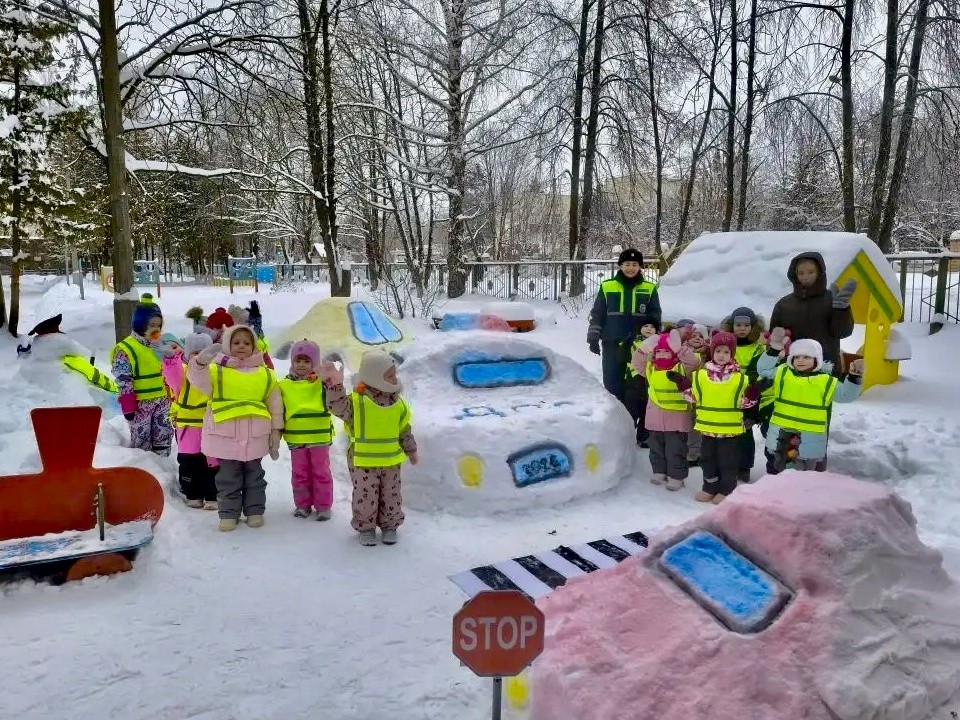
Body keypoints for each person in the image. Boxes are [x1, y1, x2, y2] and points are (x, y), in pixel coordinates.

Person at [187, 325, 284, 532]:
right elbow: (196, 381)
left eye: (247, 343)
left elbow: (275, 404)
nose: (241, 346)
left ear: (254, 346)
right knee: (227, 479)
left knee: (255, 477)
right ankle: (229, 514)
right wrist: (199, 363)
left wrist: (276, 432)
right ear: (228, 345)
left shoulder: (265, 374)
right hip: (225, 438)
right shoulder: (215, 370)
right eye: (236, 342)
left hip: (255, 437)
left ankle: (255, 511)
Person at [325, 349, 418, 546]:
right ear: (375, 377)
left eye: (394, 374)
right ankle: (366, 527)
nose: (395, 379)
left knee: (391, 496)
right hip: (363, 462)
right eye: (390, 375)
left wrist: (411, 449)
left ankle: (390, 526)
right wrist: (335, 386)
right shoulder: (357, 401)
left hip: (391, 462)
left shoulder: (398, 404)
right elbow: (338, 407)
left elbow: (404, 429)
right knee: (365, 498)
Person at [757, 334, 863, 472]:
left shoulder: (825, 381)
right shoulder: (783, 372)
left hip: (809, 439)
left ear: (816, 360)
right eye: (797, 357)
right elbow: (764, 370)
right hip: (781, 437)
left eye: (806, 357)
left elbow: (846, 395)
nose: (801, 360)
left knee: (804, 477)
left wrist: (854, 377)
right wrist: (773, 351)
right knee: (777, 472)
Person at [675, 331, 759, 504]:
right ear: (712, 352)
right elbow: (694, 398)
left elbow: (744, 404)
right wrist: (682, 385)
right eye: (718, 351)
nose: (722, 355)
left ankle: (726, 489)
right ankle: (709, 487)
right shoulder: (701, 376)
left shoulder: (740, 379)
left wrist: (752, 393)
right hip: (708, 430)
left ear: (732, 354)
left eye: (726, 352)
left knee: (727, 461)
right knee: (707, 460)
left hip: (729, 431)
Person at [587, 248, 661, 404]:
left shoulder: (649, 288)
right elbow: (598, 313)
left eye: (635, 264)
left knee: (638, 384)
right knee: (613, 383)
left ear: (640, 266)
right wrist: (593, 335)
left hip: (639, 346)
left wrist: (654, 338)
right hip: (612, 342)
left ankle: (636, 421)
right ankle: (616, 419)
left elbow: (655, 316)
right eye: (627, 264)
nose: (630, 268)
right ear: (620, 265)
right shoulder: (608, 286)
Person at [630, 329, 701, 491]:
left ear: (673, 353)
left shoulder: (682, 368)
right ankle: (659, 471)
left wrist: (679, 348)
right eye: (658, 352)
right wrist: (643, 349)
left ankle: (676, 476)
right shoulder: (651, 368)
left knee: (675, 449)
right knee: (656, 447)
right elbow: (636, 363)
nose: (661, 355)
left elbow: (694, 362)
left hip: (676, 419)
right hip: (655, 418)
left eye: (666, 352)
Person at [769, 252, 856, 369]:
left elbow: (842, 332)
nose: (805, 277)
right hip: (792, 371)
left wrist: (841, 310)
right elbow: (774, 339)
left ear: (819, 272)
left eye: (811, 272)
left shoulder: (832, 300)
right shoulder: (784, 305)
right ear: (794, 275)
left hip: (826, 370)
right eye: (801, 273)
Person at [279, 339, 335, 520]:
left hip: (319, 437)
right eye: (298, 360)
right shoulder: (284, 385)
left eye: (307, 361)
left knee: (321, 472)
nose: (301, 365)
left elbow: (335, 395)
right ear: (292, 362)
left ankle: (323, 506)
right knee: (300, 473)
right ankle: (302, 505)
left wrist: (327, 376)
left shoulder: (322, 383)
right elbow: (280, 409)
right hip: (296, 438)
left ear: (314, 363)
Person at [163, 332, 219, 510]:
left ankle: (213, 495)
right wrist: (170, 360)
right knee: (189, 462)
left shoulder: (216, 372)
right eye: (195, 353)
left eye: (204, 352)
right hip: (188, 427)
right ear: (187, 355)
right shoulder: (183, 373)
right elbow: (172, 376)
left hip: (211, 425)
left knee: (212, 462)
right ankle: (193, 494)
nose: (200, 357)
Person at [111, 299, 173, 456]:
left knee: (163, 435)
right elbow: (123, 380)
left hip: (162, 400)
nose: (155, 329)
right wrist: (128, 404)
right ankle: (144, 467)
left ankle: (163, 466)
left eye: (158, 325)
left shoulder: (160, 345)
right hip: (140, 404)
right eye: (151, 325)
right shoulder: (126, 348)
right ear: (140, 324)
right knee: (142, 441)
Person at [722, 307, 766, 483]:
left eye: (746, 325)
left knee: (745, 432)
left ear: (753, 327)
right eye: (738, 324)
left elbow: (757, 371)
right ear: (731, 326)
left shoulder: (757, 348)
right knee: (728, 431)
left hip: (748, 394)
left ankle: (744, 467)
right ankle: (727, 464)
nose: (742, 328)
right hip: (726, 393)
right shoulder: (725, 345)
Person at [623, 321, 659, 447]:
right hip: (633, 382)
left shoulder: (658, 345)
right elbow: (621, 357)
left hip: (650, 383)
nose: (649, 329)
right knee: (631, 412)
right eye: (645, 326)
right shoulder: (633, 342)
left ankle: (643, 438)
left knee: (646, 412)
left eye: (652, 327)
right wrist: (625, 345)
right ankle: (626, 438)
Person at [683, 323, 710, 467]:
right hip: (685, 392)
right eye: (694, 335)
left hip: (702, 395)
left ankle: (697, 452)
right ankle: (686, 450)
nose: (697, 339)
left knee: (698, 423)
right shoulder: (683, 351)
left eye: (701, 336)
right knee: (686, 422)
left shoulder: (709, 354)